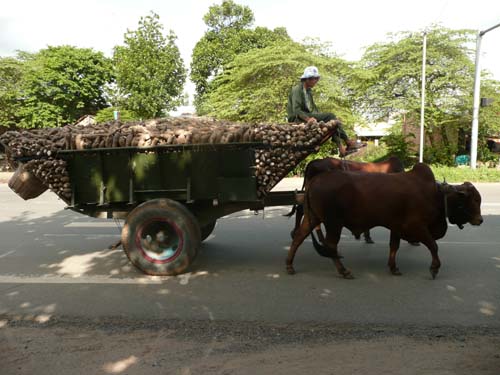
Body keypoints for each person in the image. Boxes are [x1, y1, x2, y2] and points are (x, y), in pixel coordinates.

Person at [287, 66, 366, 156]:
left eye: (317, 78)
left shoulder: (308, 91)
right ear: (307, 79)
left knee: (333, 121)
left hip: (306, 115)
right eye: (315, 79)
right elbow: (296, 110)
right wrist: (308, 119)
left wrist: (320, 118)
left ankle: (341, 148)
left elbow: (313, 109)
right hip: (297, 118)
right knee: (330, 116)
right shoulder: (297, 90)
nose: (316, 81)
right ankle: (347, 142)